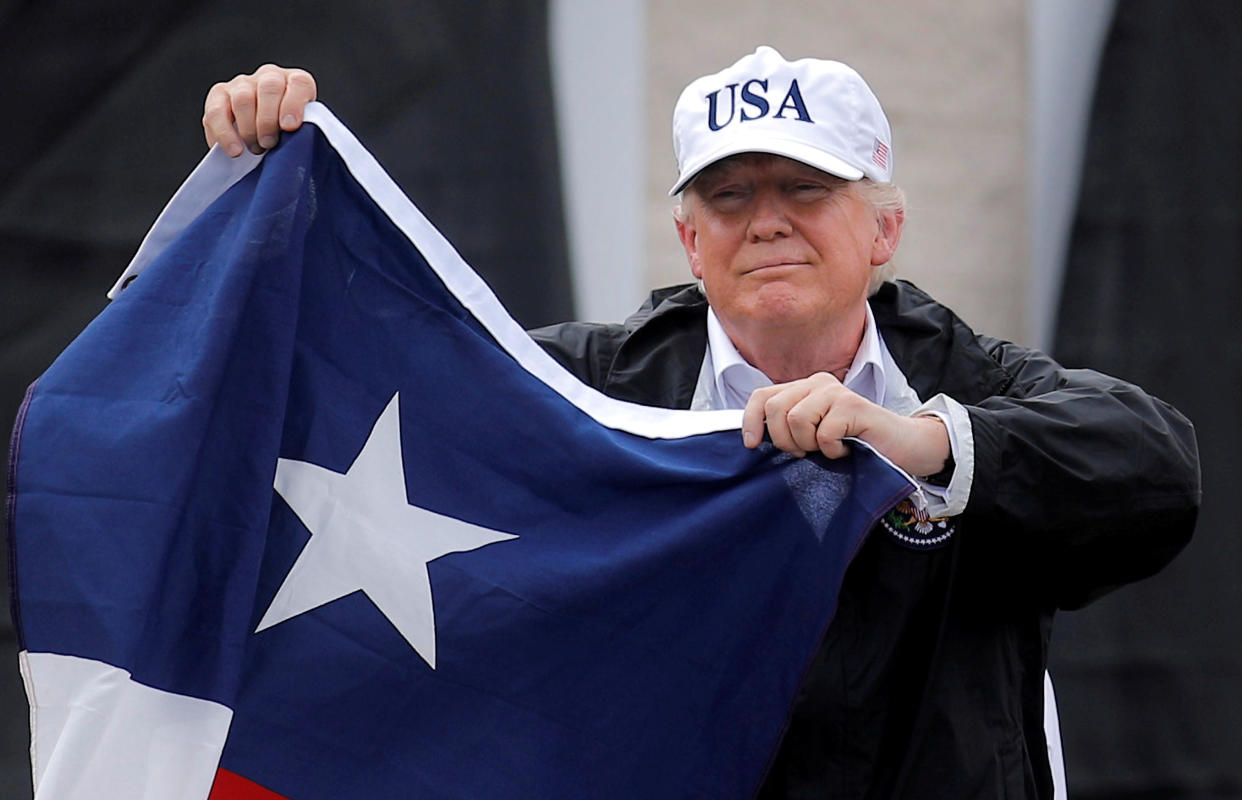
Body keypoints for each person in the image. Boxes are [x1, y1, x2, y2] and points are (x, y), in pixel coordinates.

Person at [201, 48, 1199, 799]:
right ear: (689, 238)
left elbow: (1155, 468)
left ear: (883, 228)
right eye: (729, 196)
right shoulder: (588, 384)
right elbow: (348, 387)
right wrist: (270, 177)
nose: (766, 220)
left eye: (806, 188)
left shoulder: (959, 378)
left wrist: (922, 441)